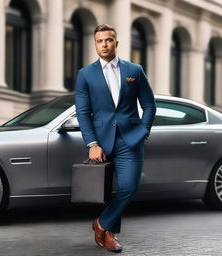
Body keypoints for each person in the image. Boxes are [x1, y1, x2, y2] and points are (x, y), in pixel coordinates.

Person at [75, 24, 156, 253]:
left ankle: (101, 224)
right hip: (100, 142)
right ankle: (109, 234)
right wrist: (92, 143)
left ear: (116, 42)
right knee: (107, 190)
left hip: (130, 140)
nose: (104, 44)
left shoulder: (135, 70)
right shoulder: (85, 74)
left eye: (109, 40)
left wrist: (143, 131)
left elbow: (149, 105)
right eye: (100, 41)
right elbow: (83, 112)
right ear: (95, 44)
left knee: (129, 187)